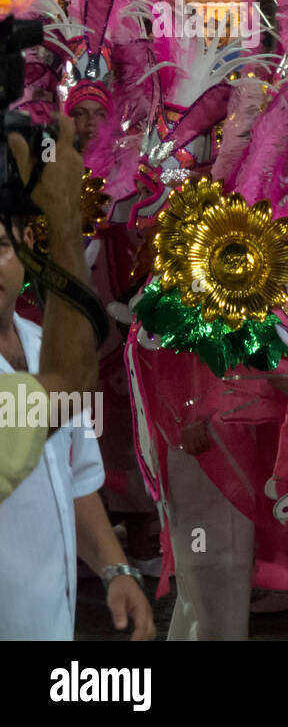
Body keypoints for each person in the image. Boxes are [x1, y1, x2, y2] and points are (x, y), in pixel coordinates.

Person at [0, 116, 153, 639]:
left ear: (24, 246)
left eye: (0, 247)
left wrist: (116, 569)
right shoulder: (60, 363)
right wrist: (65, 216)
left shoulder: (43, 344)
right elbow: (64, 385)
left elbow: (77, 479)